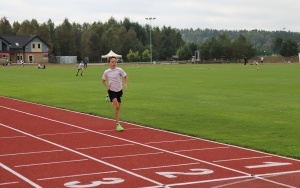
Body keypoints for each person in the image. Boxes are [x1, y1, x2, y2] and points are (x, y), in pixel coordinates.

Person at [102, 56, 128, 131]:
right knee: (116, 106)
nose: (114, 63)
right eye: (112, 62)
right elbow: (103, 80)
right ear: (109, 63)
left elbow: (126, 77)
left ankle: (109, 99)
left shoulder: (119, 70)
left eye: (115, 62)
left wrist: (125, 83)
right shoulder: (107, 72)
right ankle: (117, 124)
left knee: (118, 108)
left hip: (119, 91)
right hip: (112, 91)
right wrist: (107, 85)